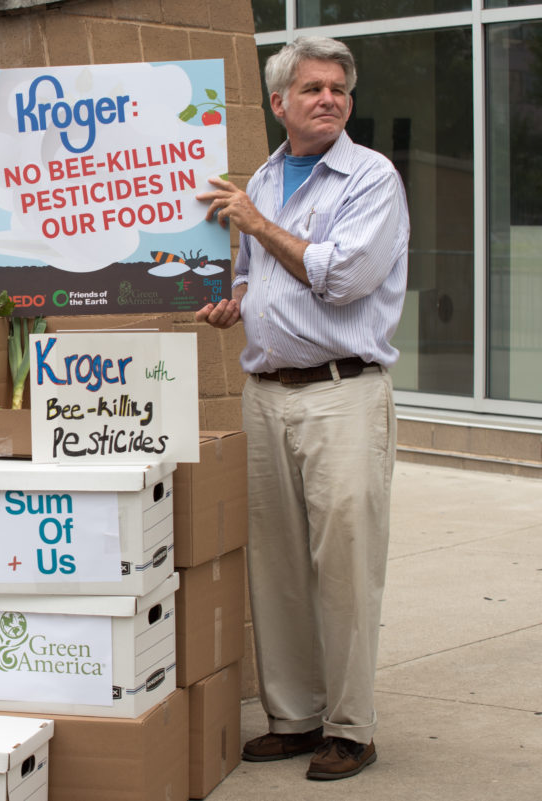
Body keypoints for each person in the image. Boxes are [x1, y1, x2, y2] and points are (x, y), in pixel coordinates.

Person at [195, 36, 408, 781]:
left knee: (344, 562)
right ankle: (294, 717)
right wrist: (234, 303)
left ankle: (351, 727)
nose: (329, 99)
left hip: (343, 392)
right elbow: (252, 273)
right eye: (313, 88)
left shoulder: (370, 177)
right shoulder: (261, 177)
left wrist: (257, 223)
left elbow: (342, 278)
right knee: (277, 563)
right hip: (267, 394)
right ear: (278, 102)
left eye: (339, 89)